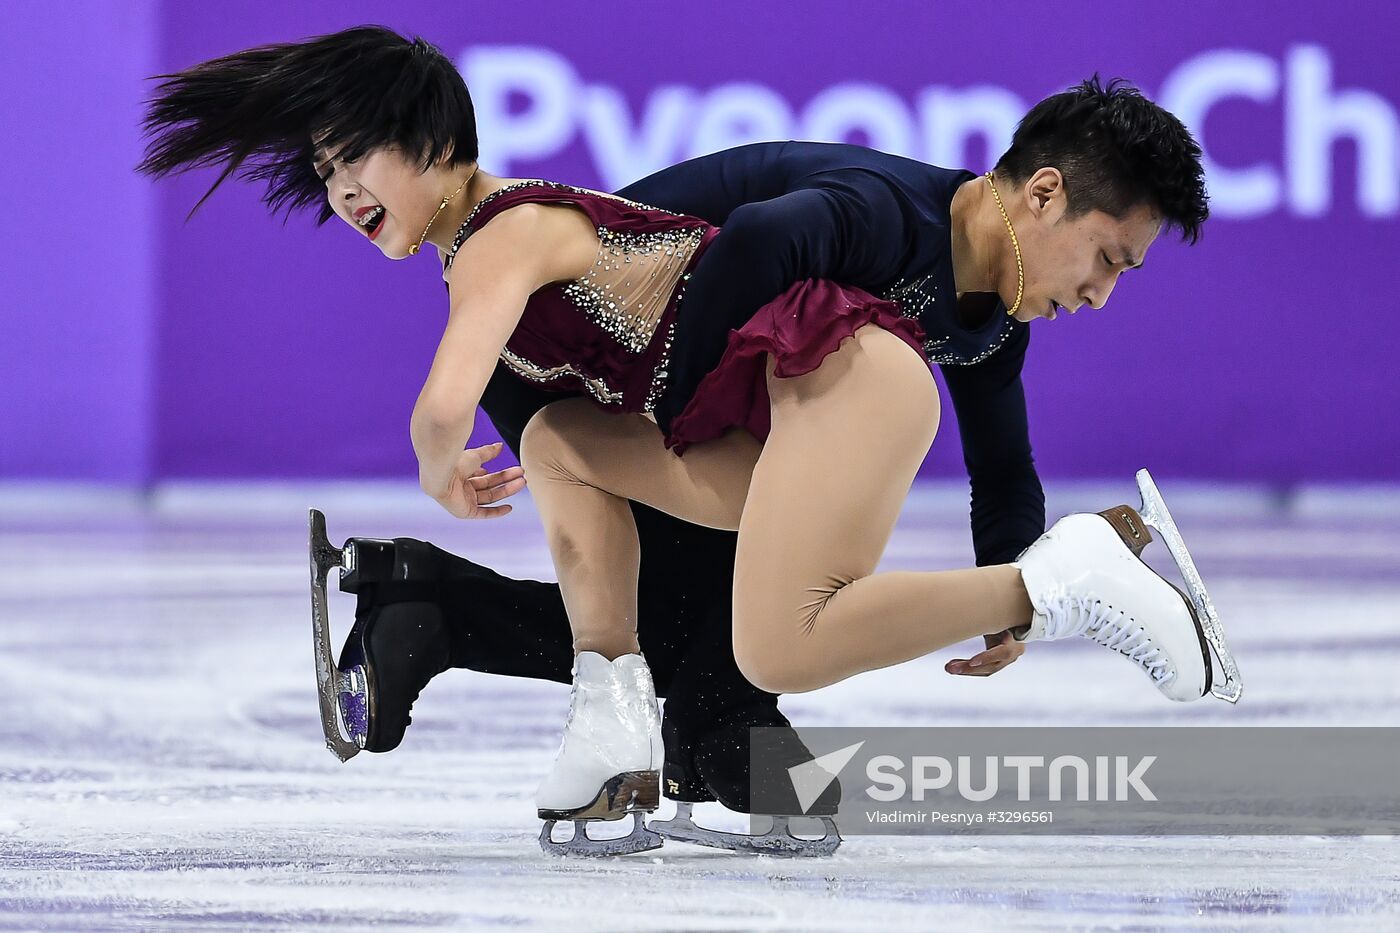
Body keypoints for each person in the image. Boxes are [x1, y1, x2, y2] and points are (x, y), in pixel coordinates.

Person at [139, 25, 1242, 857]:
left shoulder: (990, 316)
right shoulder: (880, 209)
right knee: (712, 603)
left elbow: (1002, 462)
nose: (1098, 295)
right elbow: (754, 241)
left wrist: (1008, 572)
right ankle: (641, 711)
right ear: (1040, 196)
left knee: (741, 623)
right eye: (1104, 260)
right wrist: (682, 409)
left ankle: (516, 650)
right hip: (602, 364)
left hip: (670, 380)